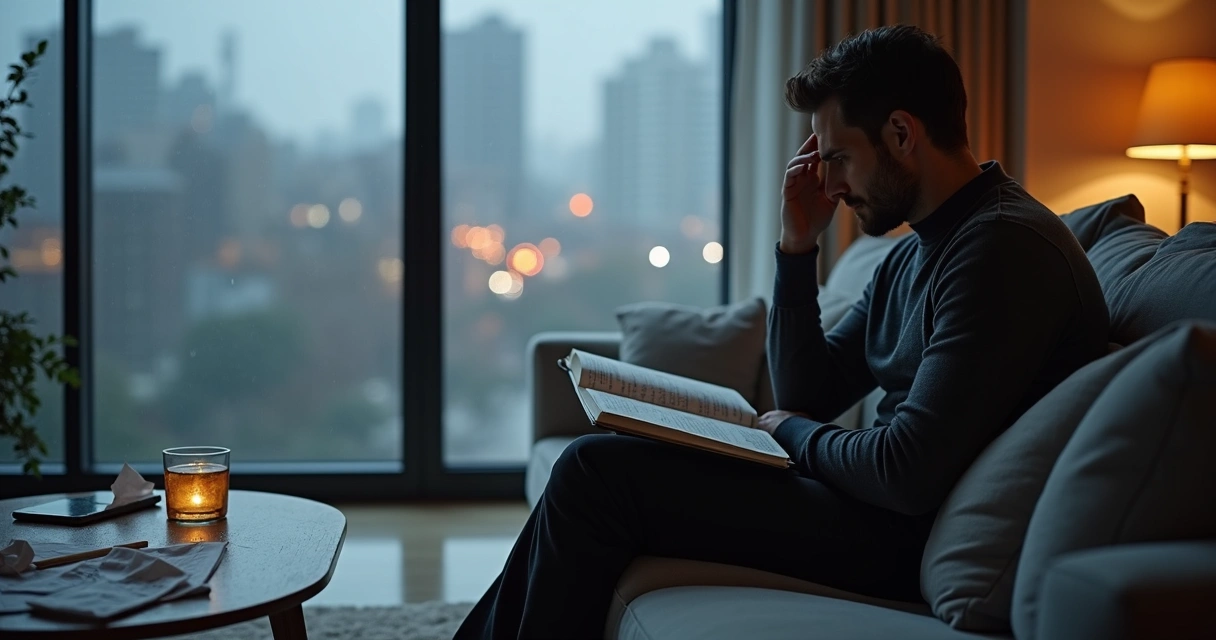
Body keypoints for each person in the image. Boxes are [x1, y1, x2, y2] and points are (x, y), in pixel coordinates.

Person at [455, 24, 1109, 639]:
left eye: (840, 158)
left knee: (595, 474)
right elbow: (811, 389)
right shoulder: (916, 251)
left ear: (903, 134)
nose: (829, 183)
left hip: (903, 534)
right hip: (867, 506)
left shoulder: (1001, 251)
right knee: (594, 471)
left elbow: (905, 472)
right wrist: (797, 248)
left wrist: (787, 431)